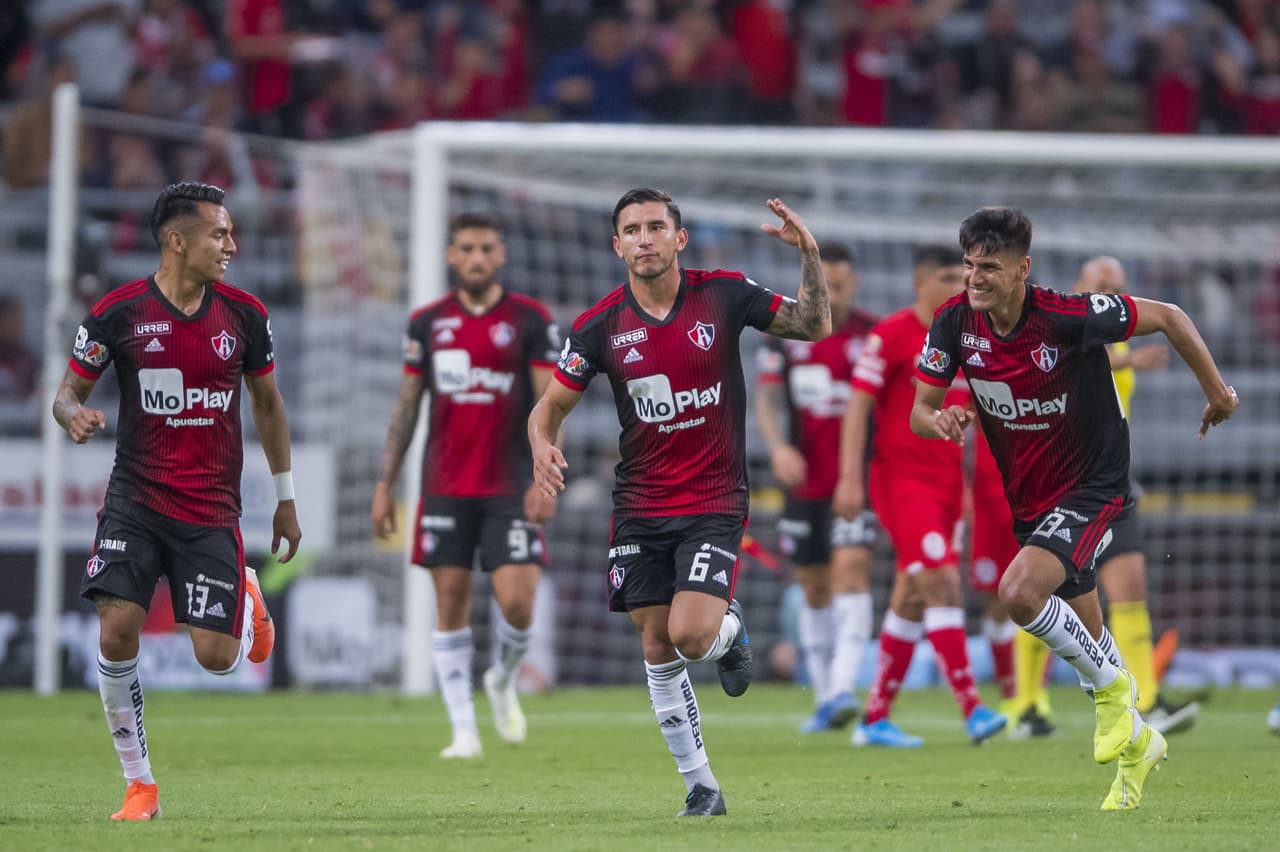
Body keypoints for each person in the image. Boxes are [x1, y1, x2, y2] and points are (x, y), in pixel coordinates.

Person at [912, 206, 1237, 811]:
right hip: (1031, 499)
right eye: (969, 265)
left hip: (1094, 485)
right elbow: (919, 409)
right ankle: (1139, 745)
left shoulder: (1067, 315)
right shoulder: (953, 323)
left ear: (1023, 269)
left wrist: (1218, 393)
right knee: (1088, 637)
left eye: (990, 266)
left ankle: (1119, 693)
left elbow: (1169, 316)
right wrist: (943, 418)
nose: (975, 278)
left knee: (1018, 594)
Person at [529, 188, 831, 818]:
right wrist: (539, 446)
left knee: (690, 635)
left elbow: (813, 324)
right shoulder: (600, 325)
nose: (644, 238)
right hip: (639, 503)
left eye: (655, 227)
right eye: (632, 230)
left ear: (679, 238)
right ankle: (701, 787)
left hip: (715, 497)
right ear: (617, 245)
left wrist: (810, 256)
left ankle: (728, 628)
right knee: (655, 644)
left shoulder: (722, 293)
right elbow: (548, 409)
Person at [52, 181, 300, 821]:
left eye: (230, 233)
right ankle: (141, 786)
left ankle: (243, 590)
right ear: (177, 240)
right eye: (219, 233)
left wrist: (285, 497)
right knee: (115, 633)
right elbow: (64, 394)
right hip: (134, 500)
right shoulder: (119, 313)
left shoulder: (243, 315)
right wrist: (73, 415)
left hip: (211, 511)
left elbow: (268, 404)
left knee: (218, 662)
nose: (231, 245)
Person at [371, 212, 559, 760]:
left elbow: (551, 403)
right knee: (449, 601)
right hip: (446, 485)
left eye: (486, 248)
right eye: (467, 249)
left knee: (518, 605)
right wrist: (386, 484)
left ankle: (502, 678)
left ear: (501, 254)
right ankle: (464, 732)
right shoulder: (427, 323)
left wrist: (545, 477)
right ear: (451, 255)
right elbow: (407, 409)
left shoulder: (531, 320)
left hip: (510, 485)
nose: (477, 258)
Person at [834, 245, 1006, 748]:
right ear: (921, 282)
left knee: (912, 596)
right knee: (943, 583)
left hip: (949, 486)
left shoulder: (968, 338)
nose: (961, 285)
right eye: (951, 276)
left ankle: (874, 718)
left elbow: (975, 415)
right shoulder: (889, 335)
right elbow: (857, 410)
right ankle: (972, 707)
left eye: (966, 275)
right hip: (902, 484)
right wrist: (850, 479)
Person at [755, 243, 878, 733]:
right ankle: (826, 695)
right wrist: (778, 447)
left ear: (854, 284)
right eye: (825, 285)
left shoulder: (871, 334)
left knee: (851, 575)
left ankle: (844, 688)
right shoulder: (784, 334)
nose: (834, 292)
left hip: (856, 482)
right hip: (803, 483)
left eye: (842, 284)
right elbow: (765, 398)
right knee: (814, 586)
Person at [1073, 256, 1198, 736]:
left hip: (1111, 482)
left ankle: (1145, 699)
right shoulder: (1063, 326)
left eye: (1119, 288)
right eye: (1102, 285)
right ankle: (1028, 703)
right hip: (1063, 484)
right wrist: (1132, 358)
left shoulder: (1118, 336)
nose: (1111, 294)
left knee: (1130, 586)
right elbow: (1075, 362)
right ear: (1079, 286)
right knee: (1043, 595)